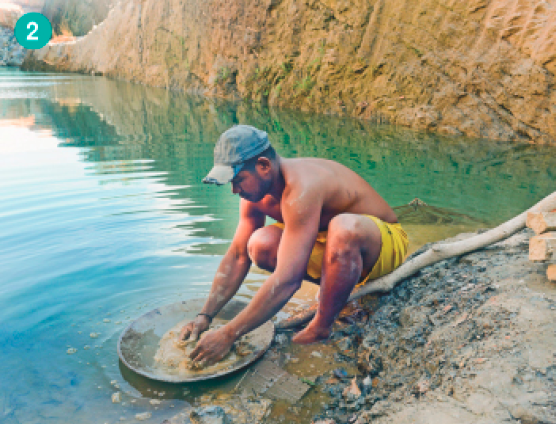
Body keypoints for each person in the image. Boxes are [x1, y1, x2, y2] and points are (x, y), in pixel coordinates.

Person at [180, 125, 408, 365]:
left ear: (264, 166)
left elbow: (289, 279)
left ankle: (322, 325)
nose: (235, 190)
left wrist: (229, 334)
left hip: (382, 244)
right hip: (330, 242)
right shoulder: (254, 196)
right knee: (259, 244)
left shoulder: (302, 186)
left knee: (343, 228)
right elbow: (237, 256)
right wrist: (205, 315)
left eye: (238, 180)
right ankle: (337, 290)